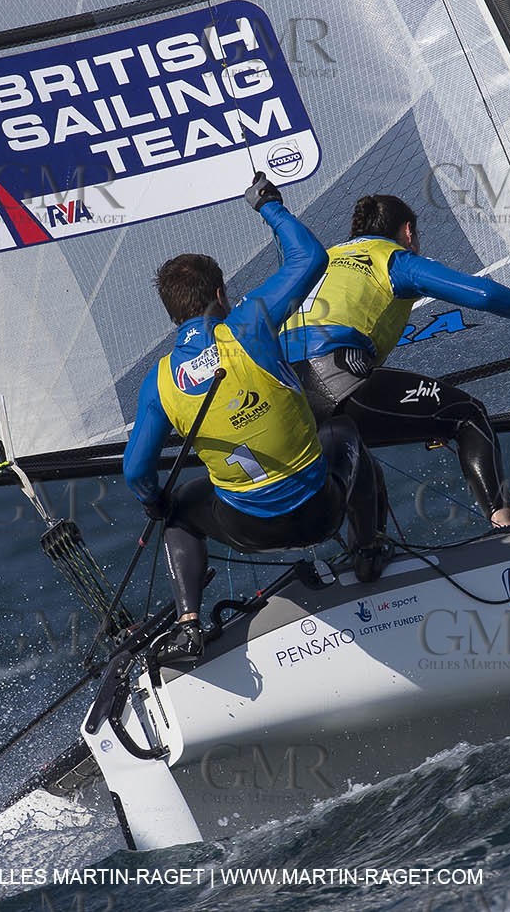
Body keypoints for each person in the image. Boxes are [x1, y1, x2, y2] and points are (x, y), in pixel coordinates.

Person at [124, 173, 389, 664]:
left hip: (247, 528)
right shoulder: (250, 322)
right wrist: (269, 205)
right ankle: (368, 552)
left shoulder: (159, 383)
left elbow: (135, 473)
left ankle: (188, 625)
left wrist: (156, 504)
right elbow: (309, 258)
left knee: (179, 510)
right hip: (318, 509)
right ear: (221, 295)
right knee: (345, 428)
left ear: (171, 316)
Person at [281, 193, 510, 533]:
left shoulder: (322, 260)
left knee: (357, 455)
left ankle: (368, 557)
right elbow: (483, 293)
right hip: (338, 376)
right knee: (467, 415)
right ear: (408, 232)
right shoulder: (393, 260)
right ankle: (505, 526)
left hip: (286, 395)